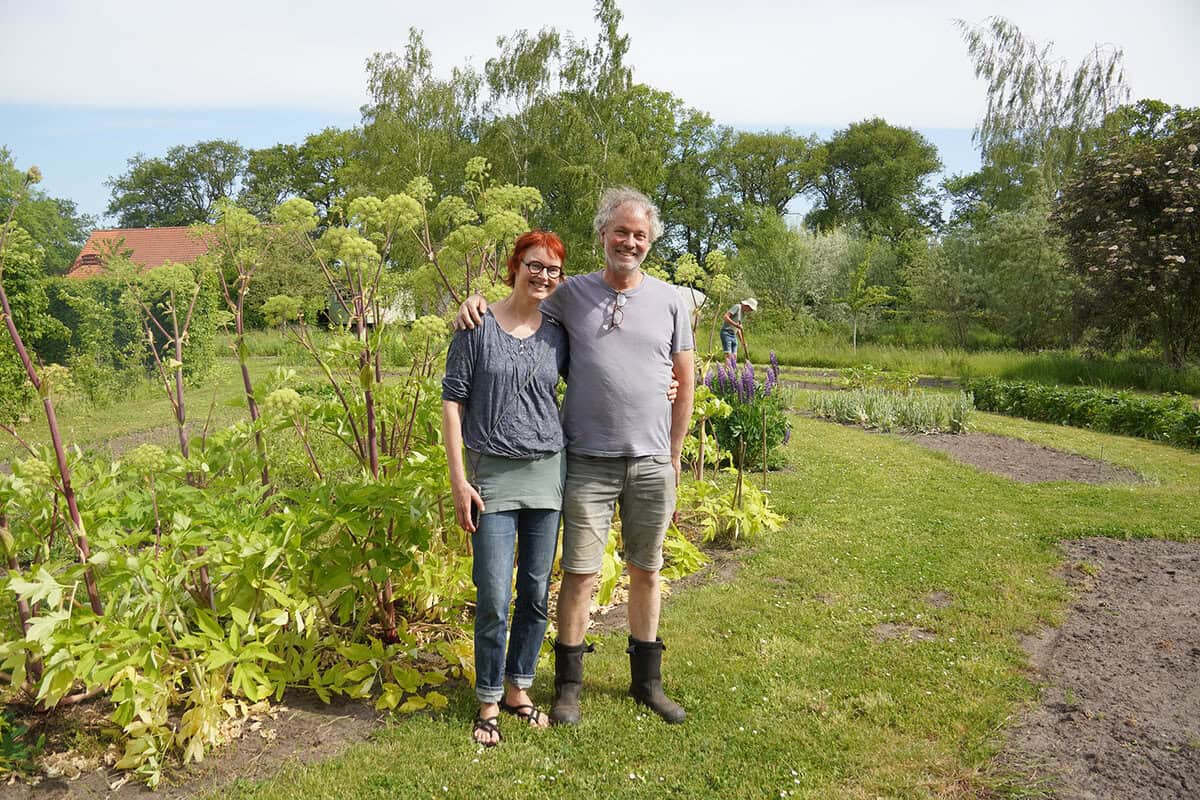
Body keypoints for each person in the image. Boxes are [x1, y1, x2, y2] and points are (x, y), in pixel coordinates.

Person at [456, 187, 696, 726]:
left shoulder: (672, 302)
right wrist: (472, 301)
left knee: (647, 570)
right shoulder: (572, 293)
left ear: (649, 242)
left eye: (639, 234)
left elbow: (685, 378)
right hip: (585, 459)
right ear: (603, 236)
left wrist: (674, 457)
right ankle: (568, 687)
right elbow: (518, 303)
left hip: (653, 460)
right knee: (579, 574)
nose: (628, 242)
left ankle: (647, 683)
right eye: (620, 232)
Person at [441, 230, 569, 746]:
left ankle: (519, 689)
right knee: (494, 594)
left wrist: (665, 383)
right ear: (515, 266)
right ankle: (488, 699)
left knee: (535, 592)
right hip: (490, 477)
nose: (542, 276)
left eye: (552, 270)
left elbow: (600, 376)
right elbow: (453, 403)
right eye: (534, 265)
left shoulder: (558, 333)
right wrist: (458, 480)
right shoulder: (476, 325)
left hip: (547, 475)